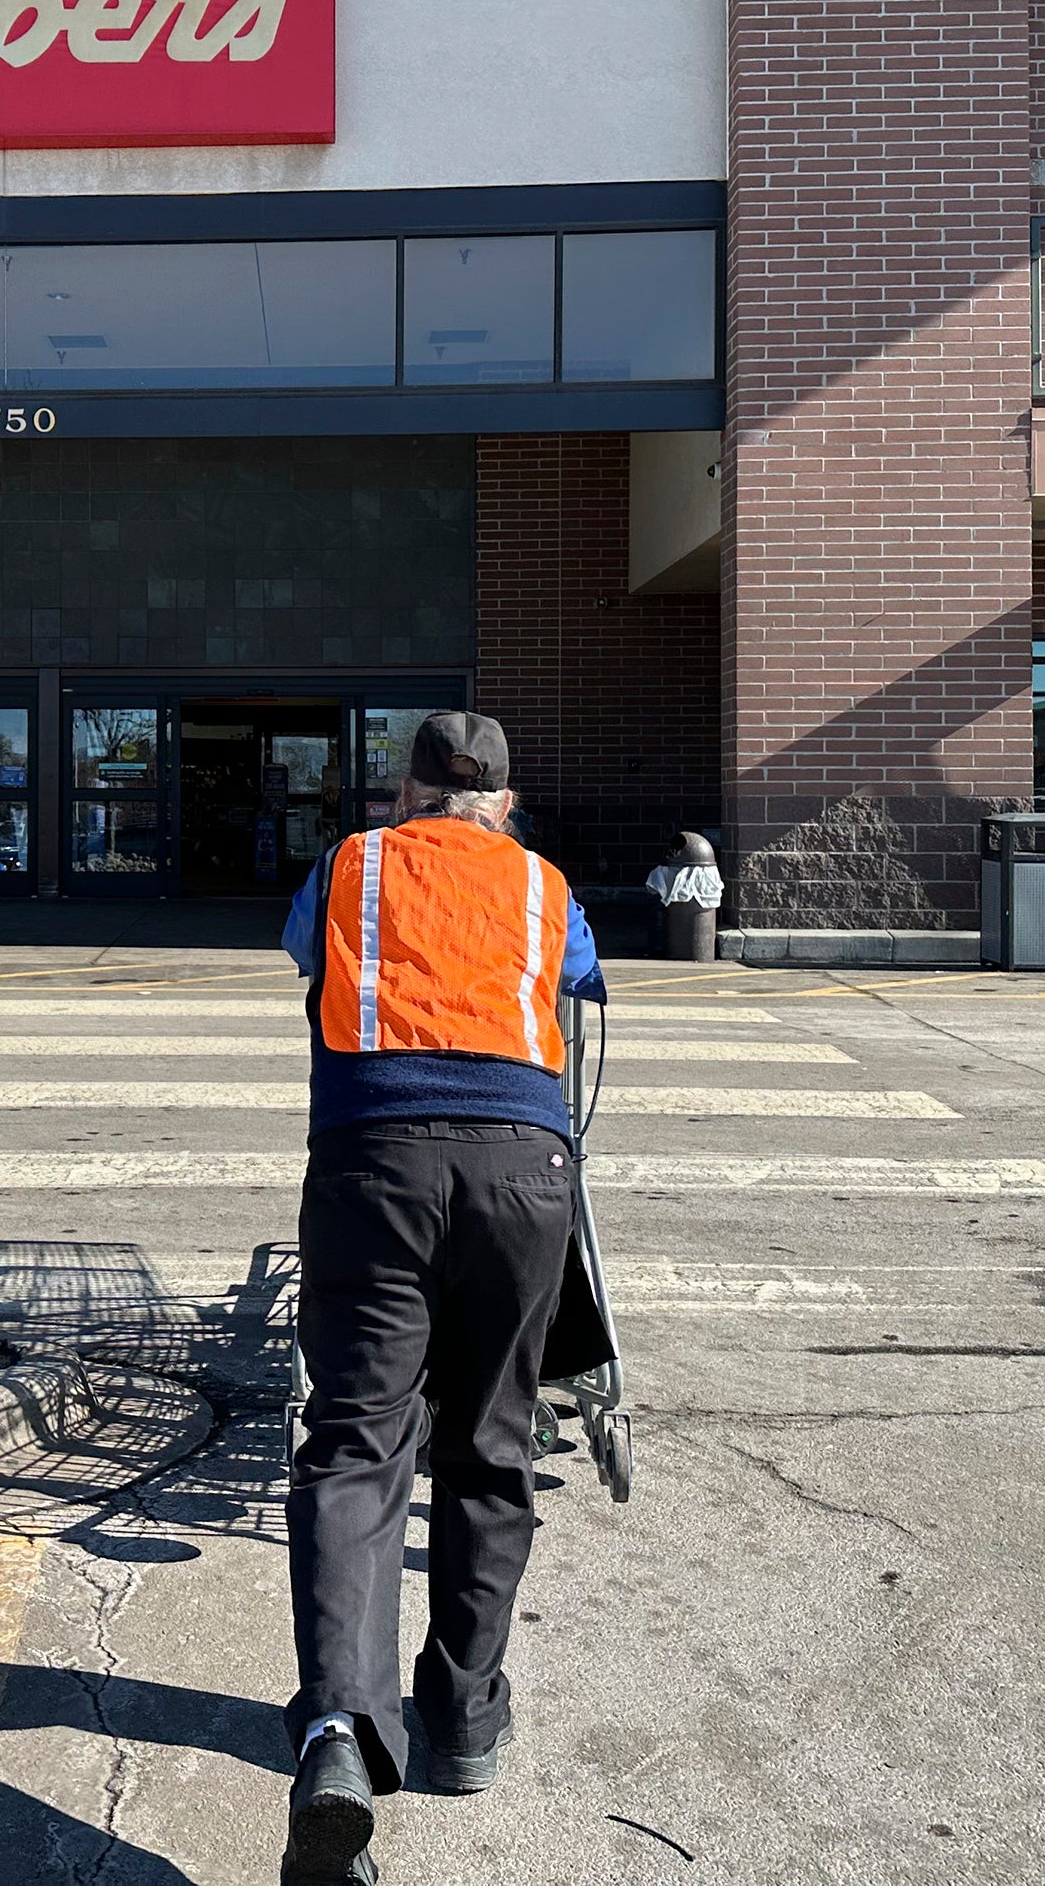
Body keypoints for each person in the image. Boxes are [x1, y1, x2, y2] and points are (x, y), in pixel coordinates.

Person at [274, 709, 606, 1884]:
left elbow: (309, 966)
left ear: (405, 791)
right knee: (489, 1444)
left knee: (356, 1443)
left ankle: (337, 1733)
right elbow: (580, 985)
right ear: (503, 803)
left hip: (375, 1166)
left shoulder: (348, 868)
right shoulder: (540, 883)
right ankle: (462, 1718)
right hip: (522, 1175)